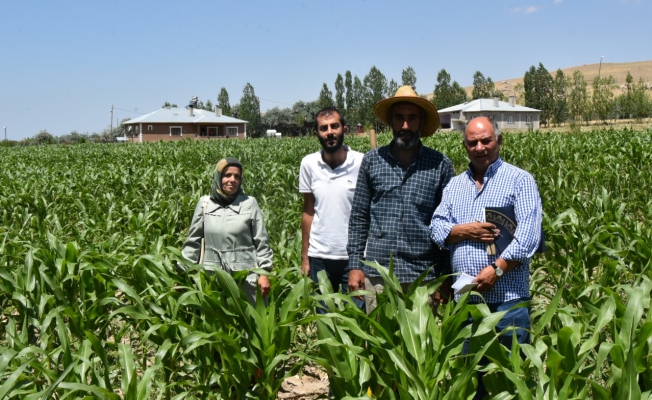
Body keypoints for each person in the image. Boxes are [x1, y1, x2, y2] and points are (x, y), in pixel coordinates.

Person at [429, 116, 543, 399]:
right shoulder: (455, 186)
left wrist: (498, 269)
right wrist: (463, 231)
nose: (480, 147)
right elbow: (436, 227)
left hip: (508, 303)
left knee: (507, 383)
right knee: (470, 383)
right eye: (473, 142)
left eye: (486, 140)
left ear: (499, 141)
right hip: (466, 305)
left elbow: (529, 235)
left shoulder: (519, 180)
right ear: (465, 146)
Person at [347, 86, 455, 314]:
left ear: (421, 121)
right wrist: (355, 265)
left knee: (422, 346)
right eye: (399, 118)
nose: (405, 125)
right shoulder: (372, 161)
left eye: (412, 118)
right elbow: (359, 217)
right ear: (391, 122)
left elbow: (449, 226)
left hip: (424, 275)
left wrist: (445, 276)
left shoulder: (439, 165)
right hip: (379, 273)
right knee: (380, 344)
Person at [299, 107, 364, 312]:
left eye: (334, 126)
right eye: (323, 128)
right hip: (320, 256)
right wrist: (305, 256)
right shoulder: (309, 164)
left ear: (344, 129)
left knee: (357, 321)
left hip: (353, 257)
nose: (330, 132)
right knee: (323, 321)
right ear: (317, 133)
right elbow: (308, 211)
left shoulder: (362, 162)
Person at [182, 157, 272, 305]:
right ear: (218, 177)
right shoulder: (205, 204)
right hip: (213, 278)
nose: (232, 180)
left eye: (237, 176)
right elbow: (193, 242)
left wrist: (264, 273)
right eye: (227, 175)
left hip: (246, 278)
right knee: (217, 324)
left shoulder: (249, 203)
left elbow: (262, 242)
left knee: (250, 324)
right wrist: (183, 272)